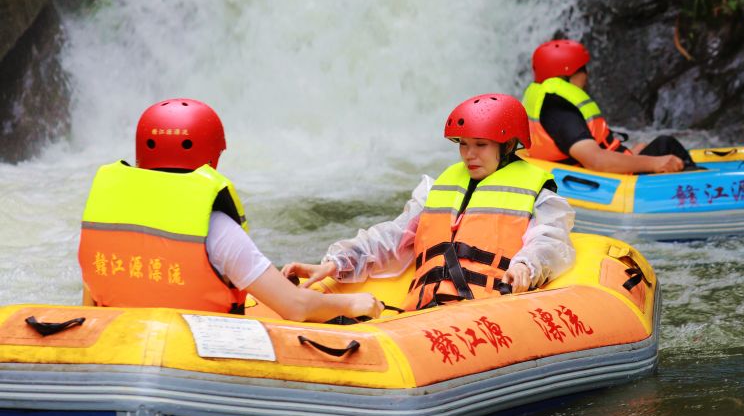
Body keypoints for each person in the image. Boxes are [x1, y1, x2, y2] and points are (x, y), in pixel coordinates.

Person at [78, 98, 382, 323]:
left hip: (119, 353)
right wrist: (352, 304)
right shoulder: (216, 228)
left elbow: (89, 306)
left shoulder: (107, 219)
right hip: (193, 361)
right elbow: (296, 307)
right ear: (211, 157)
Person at [282, 93, 576, 311]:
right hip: (423, 312)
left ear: (509, 145)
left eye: (480, 145)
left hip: (487, 309)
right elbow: (392, 236)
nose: (469, 154)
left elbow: (549, 242)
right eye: (463, 143)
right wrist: (337, 263)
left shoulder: (540, 195)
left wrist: (526, 266)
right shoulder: (435, 190)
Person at [521, 39, 693, 174]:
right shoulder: (560, 110)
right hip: (607, 180)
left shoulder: (549, 102)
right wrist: (655, 163)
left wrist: (630, 155)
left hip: (587, 169)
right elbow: (595, 161)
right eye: (583, 69)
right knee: (666, 145)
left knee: (657, 146)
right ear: (569, 74)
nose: (586, 76)